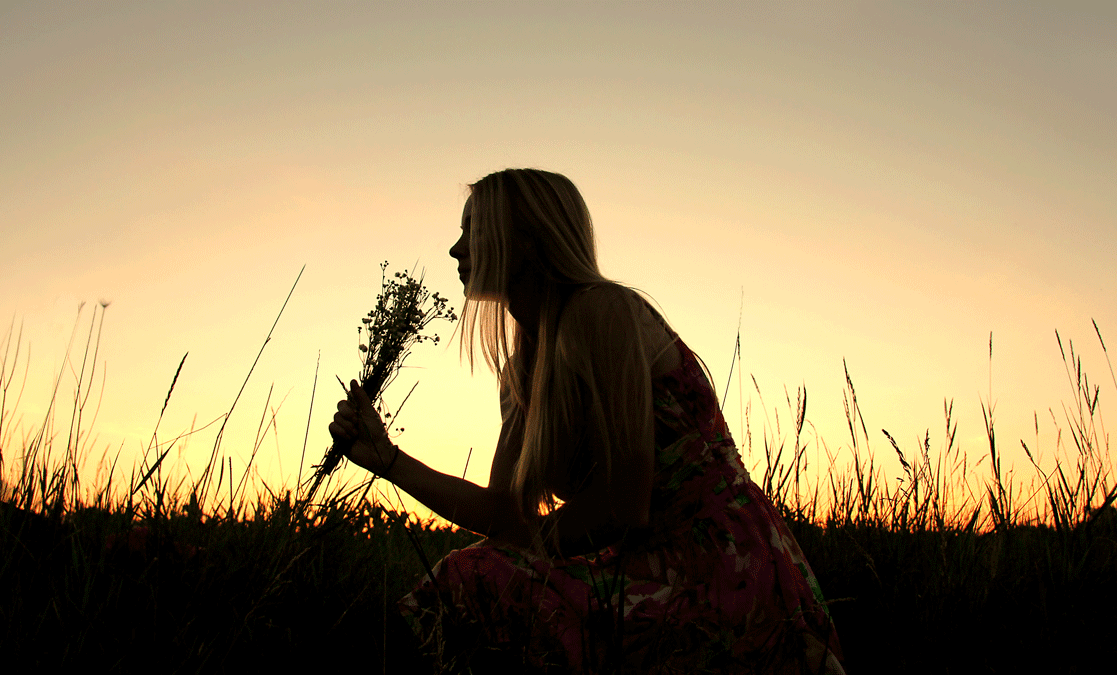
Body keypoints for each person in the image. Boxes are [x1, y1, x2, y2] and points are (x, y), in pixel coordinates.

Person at [329, 168, 845, 674]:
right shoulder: (522, 370)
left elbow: (624, 505)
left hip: (722, 573)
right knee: (478, 576)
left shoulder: (603, 311)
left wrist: (529, 551)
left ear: (529, 238)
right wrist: (389, 461)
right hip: (642, 568)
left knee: (478, 577)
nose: (456, 250)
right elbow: (504, 513)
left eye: (475, 231)